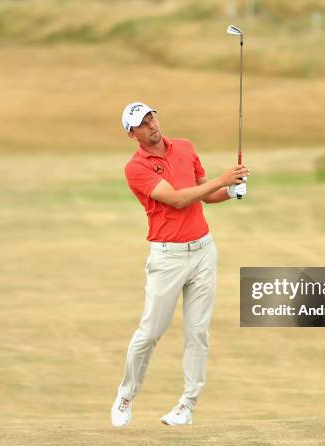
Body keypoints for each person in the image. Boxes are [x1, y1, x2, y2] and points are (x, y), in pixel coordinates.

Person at [111, 102, 250, 427]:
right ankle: (127, 395)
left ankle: (187, 406)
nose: (151, 125)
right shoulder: (136, 168)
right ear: (132, 134)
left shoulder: (185, 147)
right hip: (168, 257)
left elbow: (204, 195)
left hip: (203, 250)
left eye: (151, 117)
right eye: (142, 124)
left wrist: (231, 190)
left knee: (198, 332)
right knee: (150, 332)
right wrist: (221, 179)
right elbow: (176, 199)